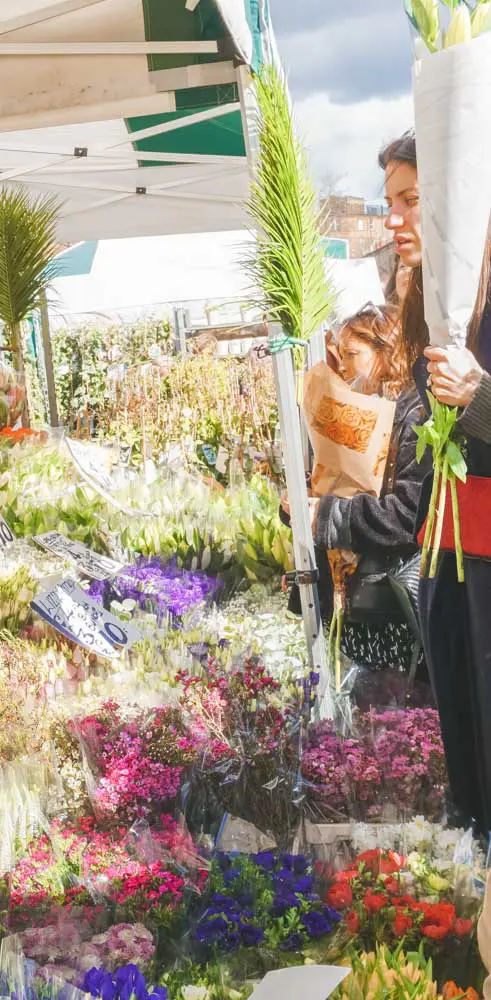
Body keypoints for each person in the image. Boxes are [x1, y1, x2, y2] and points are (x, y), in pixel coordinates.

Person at [380, 132, 491, 833]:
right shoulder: (431, 304)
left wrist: (479, 398)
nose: (393, 219)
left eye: (409, 200)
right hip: (451, 568)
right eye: (388, 202)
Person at [283, 303, 429, 679]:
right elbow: (341, 483)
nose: (344, 366)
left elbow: (407, 515)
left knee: (393, 710)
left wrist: (327, 514)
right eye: (340, 355)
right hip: (355, 605)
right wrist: (303, 506)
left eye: (352, 354)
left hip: (388, 605)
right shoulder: (362, 412)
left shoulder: (414, 416)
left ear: (387, 353)